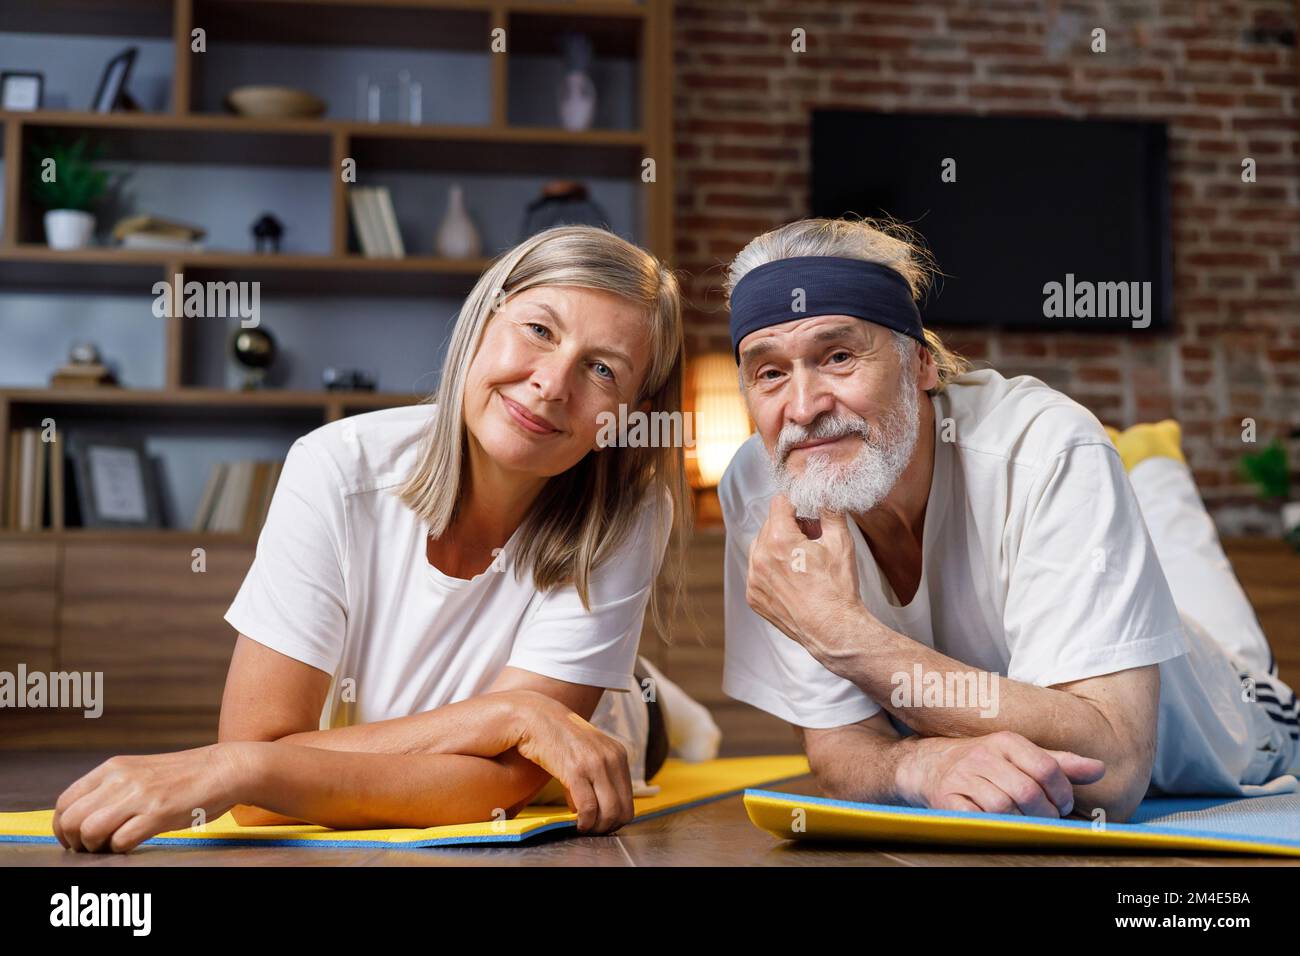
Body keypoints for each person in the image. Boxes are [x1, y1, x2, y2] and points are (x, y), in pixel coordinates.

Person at [51, 225, 719, 854]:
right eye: (539, 330)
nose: (551, 384)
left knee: (644, 715)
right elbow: (261, 796)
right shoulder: (335, 466)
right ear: (484, 319)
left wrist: (246, 767)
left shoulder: (629, 510)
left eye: (602, 371)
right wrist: (510, 714)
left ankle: (648, 691)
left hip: (606, 725)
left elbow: (498, 788)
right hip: (482, 711)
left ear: (633, 415)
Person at [720, 216, 1298, 823]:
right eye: (770, 373)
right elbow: (837, 743)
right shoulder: (764, 484)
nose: (805, 408)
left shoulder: (1047, 447)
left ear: (920, 363)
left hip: (1233, 714)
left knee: (1220, 631)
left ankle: (1154, 466)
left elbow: (1116, 768)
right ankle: (1145, 472)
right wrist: (919, 767)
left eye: (838, 356)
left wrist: (842, 636)